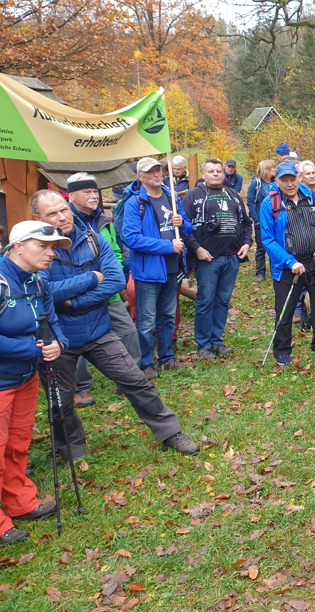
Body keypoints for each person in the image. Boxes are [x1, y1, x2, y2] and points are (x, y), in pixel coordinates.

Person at [34, 190, 199, 460]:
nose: (61, 217)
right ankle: (69, 452)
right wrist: (89, 280)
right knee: (60, 402)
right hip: (57, 338)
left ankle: (171, 433)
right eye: (51, 214)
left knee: (136, 381)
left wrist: (73, 303)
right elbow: (42, 291)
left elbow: (114, 282)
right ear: (37, 217)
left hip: (98, 331)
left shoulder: (95, 241)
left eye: (63, 209)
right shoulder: (34, 250)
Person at [0, 220, 69, 545]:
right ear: (17, 246)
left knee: (17, 443)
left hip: (26, 378)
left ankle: (20, 501)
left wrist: (59, 344)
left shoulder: (38, 283)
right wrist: (30, 348)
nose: (50, 253)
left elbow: (52, 323)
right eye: (42, 246)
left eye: (54, 248)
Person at [66, 173, 141, 410]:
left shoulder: (102, 219)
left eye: (95, 191)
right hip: (78, 295)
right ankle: (80, 389)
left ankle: (131, 378)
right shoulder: (65, 222)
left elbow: (116, 251)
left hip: (107, 290)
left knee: (128, 330)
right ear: (72, 196)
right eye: (87, 192)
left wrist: (114, 276)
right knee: (77, 339)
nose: (93, 195)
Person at [121, 157, 191, 378]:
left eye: (159, 170)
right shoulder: (135, 203)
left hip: (173, 269)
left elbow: (187, 228)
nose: (156, 175)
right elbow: (131, 238)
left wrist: (183, 224)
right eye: (150, 172)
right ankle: (146, 362)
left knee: (168, 316)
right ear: (139, 176)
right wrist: (167, 246)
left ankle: (167, 357)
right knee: (146, 320)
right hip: (148, 271)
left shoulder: (171, 197)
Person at [260, 161, 315, 363]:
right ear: (277, 181)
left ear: (299, 178)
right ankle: (282, 351)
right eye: (284, 180)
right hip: (287, 266)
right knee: (285, 308)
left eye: (292, 179)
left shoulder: (311, 197)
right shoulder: (270, 204)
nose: (289, 184)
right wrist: (289, 261)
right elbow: (267, 239)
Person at [182, 159, 252, 360]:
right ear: (203, 175)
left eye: (219, 171)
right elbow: (184, 228)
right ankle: (203, 344)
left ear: (224, 174)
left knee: (222, 300)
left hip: (231, 258)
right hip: (208, 259)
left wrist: (247, 243)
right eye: (211, 171)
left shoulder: (233, 195)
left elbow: (246, 224)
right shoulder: (194, 196)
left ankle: (216, 340)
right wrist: (197, 249)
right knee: (205, 301)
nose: (215, 174)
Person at [247, 159, 276, 283]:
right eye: (273, 168)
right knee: (261, 247)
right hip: (261, 221)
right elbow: (250, 202)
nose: (275, 170)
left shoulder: (275, 182)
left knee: (275, 245)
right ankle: (260, 272)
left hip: (274, 220)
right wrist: (256, 220)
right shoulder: (256, 183)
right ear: (266, 170)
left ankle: (275, 269)